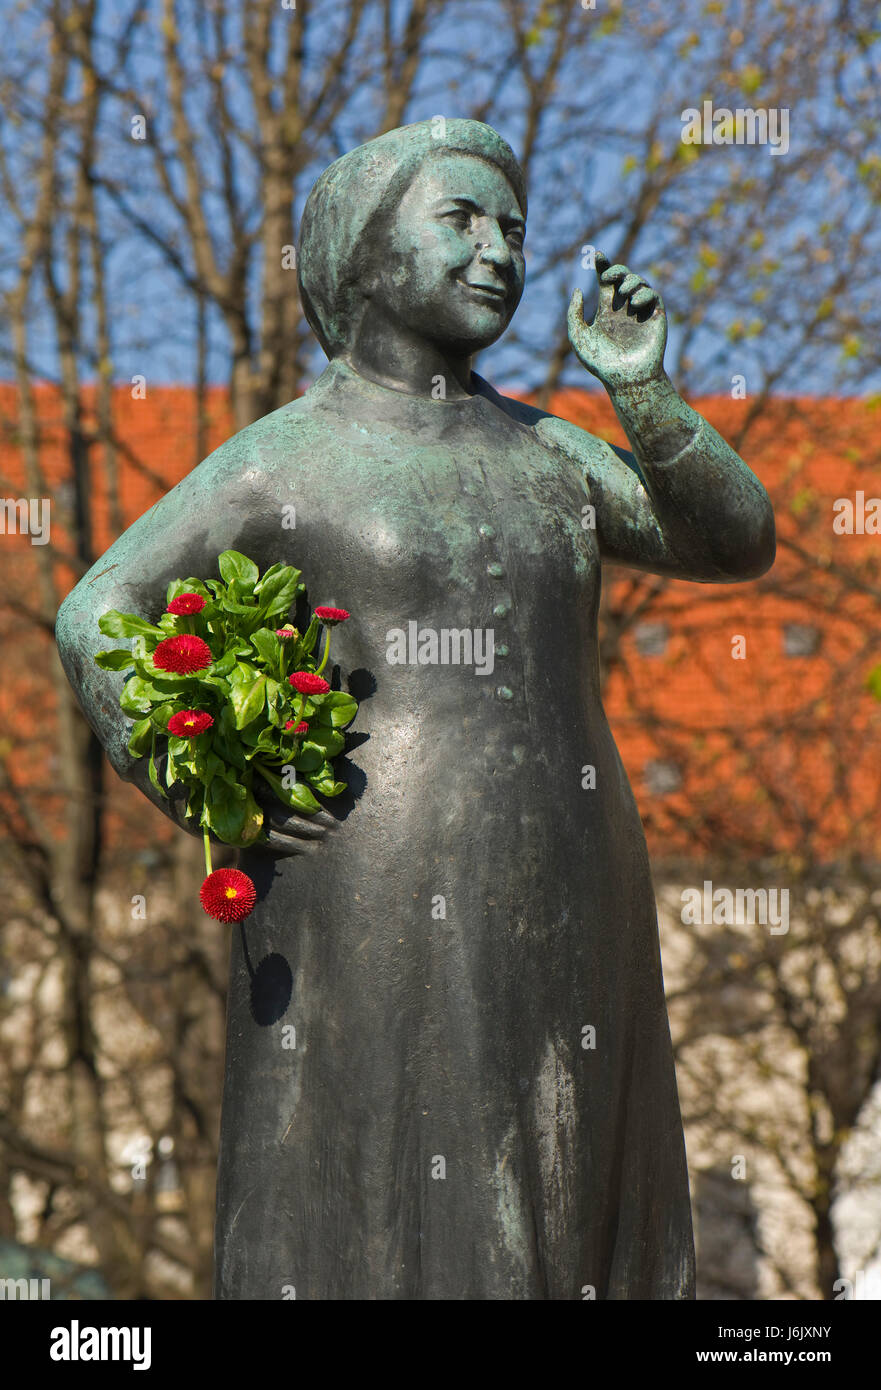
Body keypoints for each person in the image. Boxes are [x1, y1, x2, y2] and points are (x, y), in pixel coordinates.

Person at [56, 119, 775, 1299]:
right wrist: (206, 773)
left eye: (513, 229)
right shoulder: (286, 456)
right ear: (363, 250)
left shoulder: (548, 451)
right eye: (461, 220)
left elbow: (730, 538)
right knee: (387, 1183)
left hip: (572, 853)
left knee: (567, 1162)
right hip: (366, 862)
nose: (497, 250)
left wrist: (640, 392)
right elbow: (97, 611)